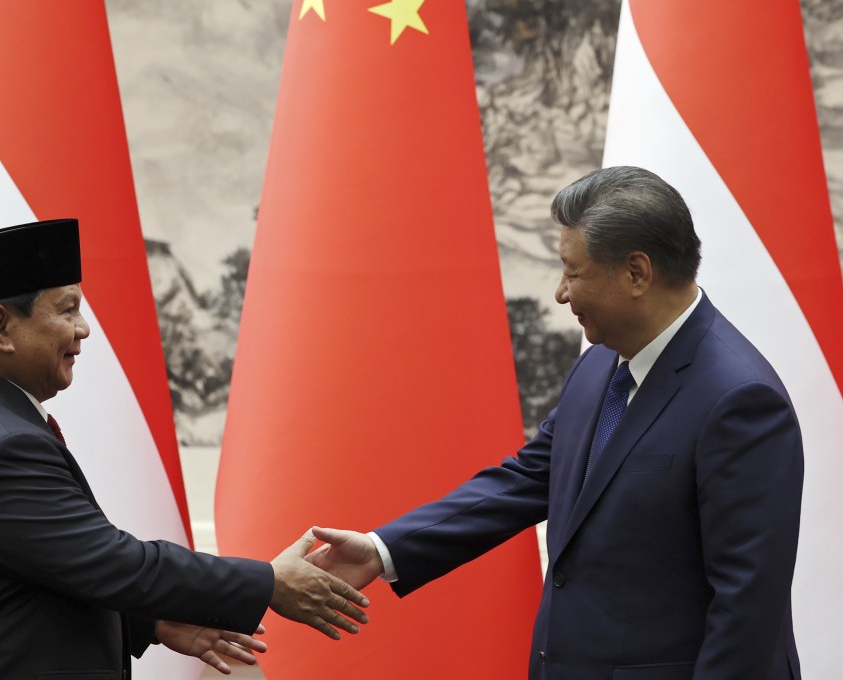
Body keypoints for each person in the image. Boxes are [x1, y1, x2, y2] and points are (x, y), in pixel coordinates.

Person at [308, 166, 803, 679]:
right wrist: (382, 550)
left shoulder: (741, 400)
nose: (560, 294)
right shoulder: (600, 363)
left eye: (573, 271)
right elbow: (531, 477)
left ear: (637, 273)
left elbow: (748, 605)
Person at [0, 219, 369, 680]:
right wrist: (269, 583)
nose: (84, 330)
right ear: (0, 328)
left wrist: (147, 623)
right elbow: (113, 562)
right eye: (67, 310)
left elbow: (34, 572)